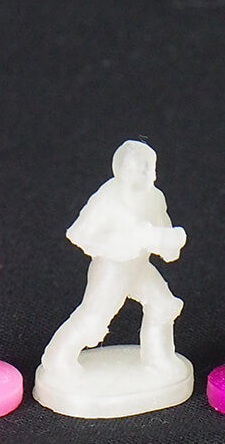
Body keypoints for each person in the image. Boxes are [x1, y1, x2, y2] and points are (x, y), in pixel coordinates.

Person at [40, 140, 186, 376]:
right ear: (120, 169)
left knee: (163, 305)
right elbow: (79, 234)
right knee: (94, 319)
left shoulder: (154, 197)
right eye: (134, 168)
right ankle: (57, 357)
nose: (141, 173)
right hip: (111, 269)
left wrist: (168, 243)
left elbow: (163, 232)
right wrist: (121, 242)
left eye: (145, 167)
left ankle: (157, 357)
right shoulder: (108, 197)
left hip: (139, 267)